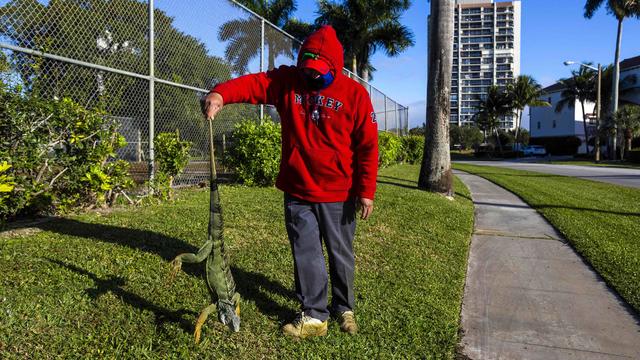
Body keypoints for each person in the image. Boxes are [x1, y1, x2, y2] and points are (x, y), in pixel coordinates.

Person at [200, 25, 378, 339]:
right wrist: (221, 94)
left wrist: (366, 191)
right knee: (306, 251)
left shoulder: (355, 95)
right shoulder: (287, 81)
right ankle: (313, 315)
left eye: (320, 73)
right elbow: (254, 84)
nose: (312, 78)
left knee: (340, 253)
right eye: (307, 71)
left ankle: (344, 307)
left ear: (336, 67)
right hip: (298, 189)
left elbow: (367, 146)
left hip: (340, 192)